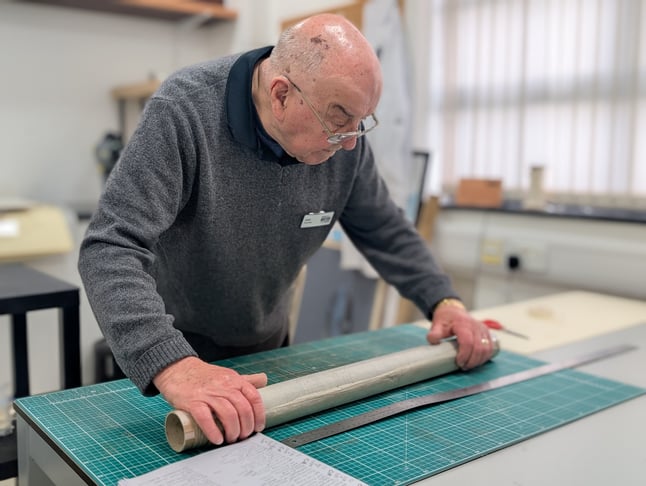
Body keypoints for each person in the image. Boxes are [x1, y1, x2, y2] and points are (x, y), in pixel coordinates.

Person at [78, 13, 495, 448]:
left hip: (270, 346)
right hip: (177, 352)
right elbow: (111, 246)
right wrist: (172, 364)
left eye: (363, 120)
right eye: (340, 119)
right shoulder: (184, 111)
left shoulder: (343, 139)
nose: (351, 142)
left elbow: (385, 229)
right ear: (280, 95)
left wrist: (444, 302)